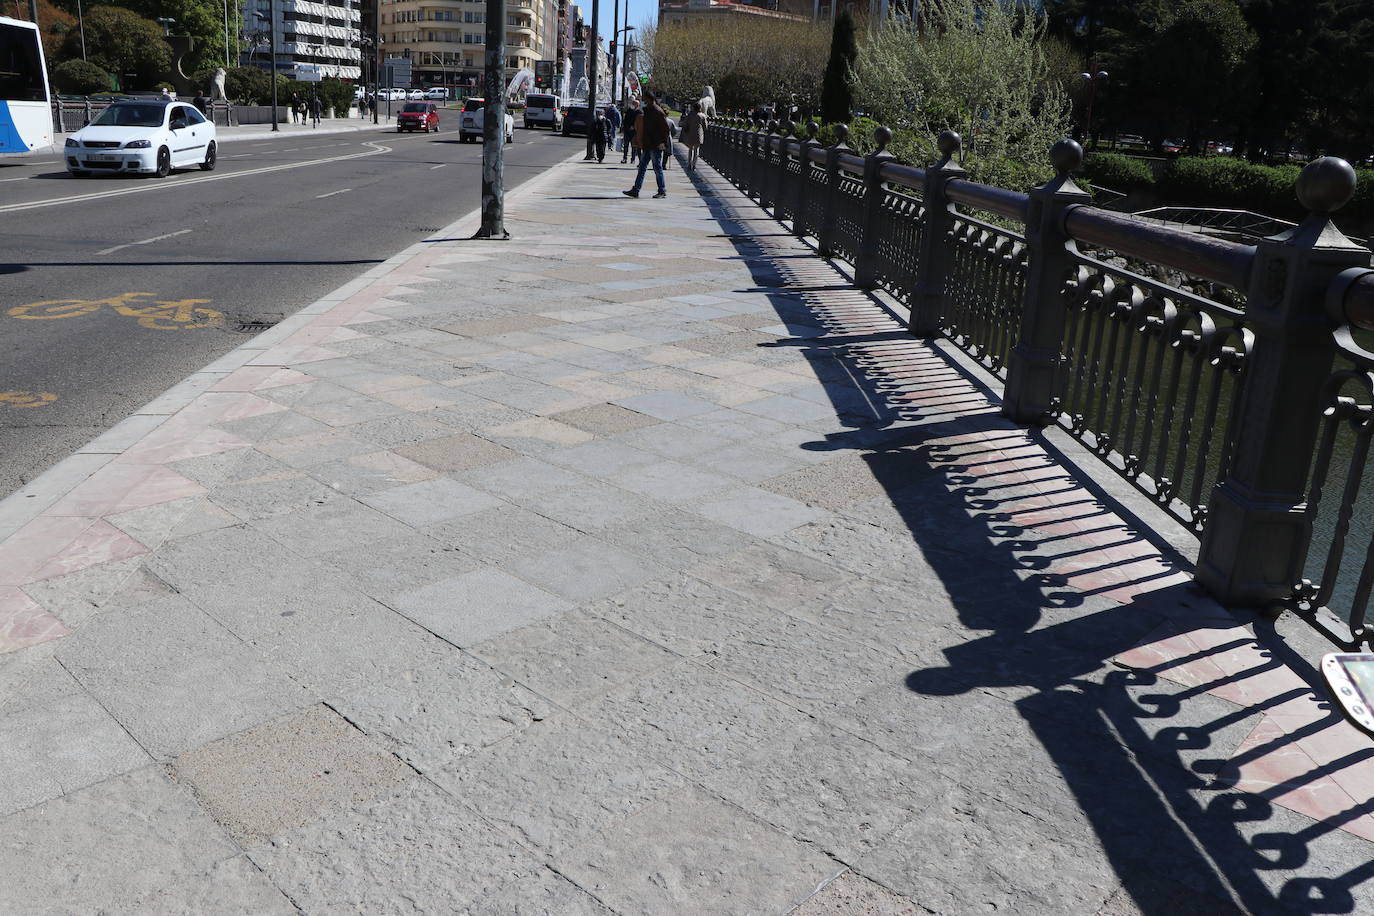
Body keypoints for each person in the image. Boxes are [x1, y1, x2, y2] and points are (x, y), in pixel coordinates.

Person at [624, 91, 669, 199]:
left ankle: (662, 190)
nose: (643, 101)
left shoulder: (657, 111)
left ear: (649, 99)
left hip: (655, 144)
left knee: (657, 168)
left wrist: (662, 142)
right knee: (642, 167)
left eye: (644, 98)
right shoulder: (648, 110)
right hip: (648, 144)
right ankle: (636, 190)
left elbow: (665, 129)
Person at [680, 102, 706, 170]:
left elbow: (685, 124)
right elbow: (705, 126)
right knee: (696, 150)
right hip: (698, 135)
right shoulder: (702, 116)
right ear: (700, 108)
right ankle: (694, 164)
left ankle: (689, 164)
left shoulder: (690, 115)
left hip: (690, 134)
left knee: (690, 150)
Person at [621, 99, 641, 164]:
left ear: (638, 104)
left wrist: (634, 126)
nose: (633, 104)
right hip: (627, 131)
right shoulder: (629, 111)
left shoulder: (639, 112)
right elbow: (625, 120)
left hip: (635, 131)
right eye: (633, 103)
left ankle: (633, 159)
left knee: (634, 146)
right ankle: (625, 158)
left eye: (634, 103)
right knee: (626, 145)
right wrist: (624, 128)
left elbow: (639, 121)